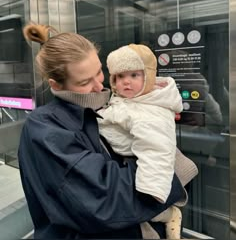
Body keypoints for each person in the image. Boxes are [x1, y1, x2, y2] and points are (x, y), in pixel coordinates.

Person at [18, 23, 186, 240]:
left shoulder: (107, 105)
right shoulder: (45, 128)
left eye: (99, 72)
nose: (99, 86)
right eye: (85, 81)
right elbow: (104, 200)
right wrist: (174, 168)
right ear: (56, 85)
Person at [97, 44, 195, 239]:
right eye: (119, 77)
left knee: (149, 211)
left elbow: (156, 149)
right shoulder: (130, 98)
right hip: (126, 159)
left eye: (134, 75)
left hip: (141, 165)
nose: (126, 82)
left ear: (148, 76)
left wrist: (152, 189)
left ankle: (171, 216)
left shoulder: (151, 110)